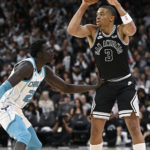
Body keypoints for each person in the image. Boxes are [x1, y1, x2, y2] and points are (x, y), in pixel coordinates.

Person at [67, 0, 146, 150]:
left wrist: (117, 5)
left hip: (125, 84)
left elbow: (133, 29)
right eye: (97, 14)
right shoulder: (92, 31)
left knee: (134, 127)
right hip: (105, 84)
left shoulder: (121, 30)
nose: (97, 17)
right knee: (95, 129)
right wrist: (84, 5)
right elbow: (72, 30)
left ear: (111, 17)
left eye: (102, 14)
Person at [0, 40, 102, 150]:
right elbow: (3, 87)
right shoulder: (27, 66)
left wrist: (94, 87)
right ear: (39, 54)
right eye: (48, 49)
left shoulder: (45, 71)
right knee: (23, 136)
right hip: (5, 105)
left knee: (35, 145)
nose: (52, 51)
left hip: (16, 109)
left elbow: (67, 88)